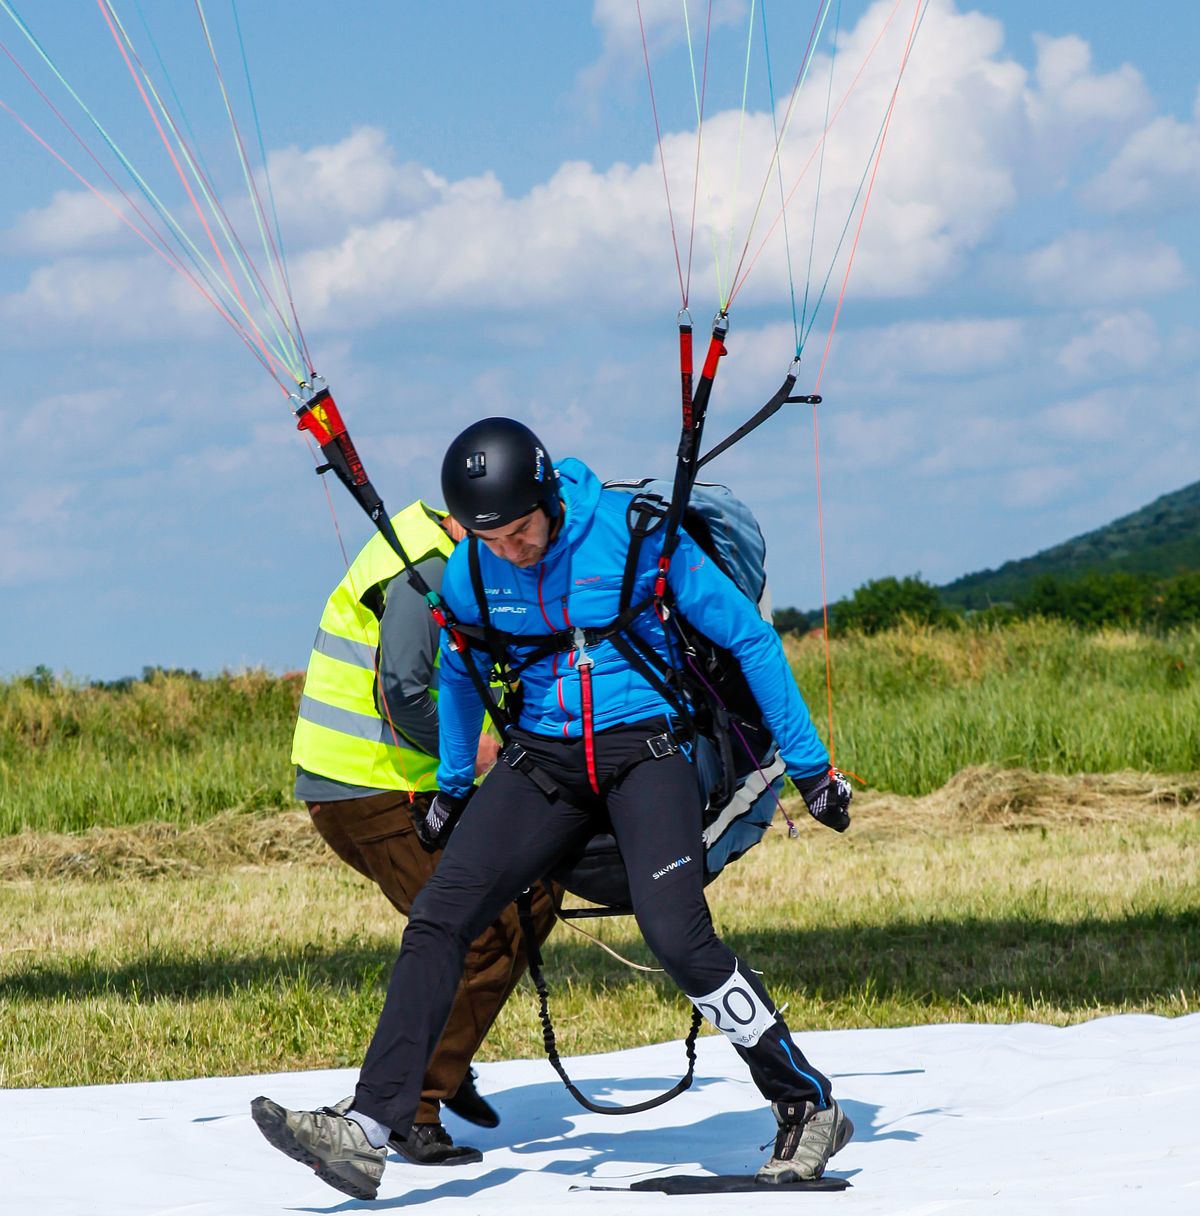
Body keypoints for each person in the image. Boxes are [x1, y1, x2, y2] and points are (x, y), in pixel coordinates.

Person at [252, 420, 854, 1201]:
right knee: (441, 916)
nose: (509, 549)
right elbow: (461, 671)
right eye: (490, 538)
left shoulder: (634, 539)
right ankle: (366, 1131)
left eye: (520, 530)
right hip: (547, 761)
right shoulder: (471, 568)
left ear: (548, 501)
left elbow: (752, 643)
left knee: (676, 933)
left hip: (648, 755)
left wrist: (811, 770)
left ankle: (807, 1101)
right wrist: (451, 788)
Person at [281, 497, 558, 1166]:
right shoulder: (423, 568)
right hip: (368, 787)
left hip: (414, 781)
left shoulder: (453, 552)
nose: (525, 546)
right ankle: (411, 1108)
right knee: (480, 927)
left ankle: (445, 1058)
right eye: (513, 532)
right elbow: (403, 693)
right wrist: (477, 753)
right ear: (475, 521)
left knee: (535, 896)